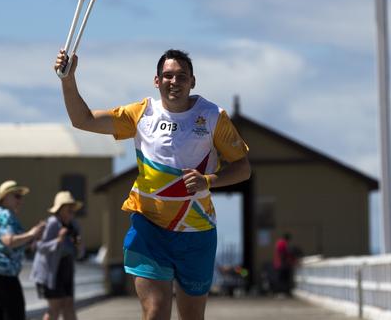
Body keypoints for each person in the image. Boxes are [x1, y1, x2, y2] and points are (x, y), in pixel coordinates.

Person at [54, 49, 251, 320]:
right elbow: (83, 120)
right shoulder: (141, 113)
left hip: (197, 231)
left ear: (193, 81)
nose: (174, 81)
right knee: (156, 311)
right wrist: (68, 79)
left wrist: (208, 181)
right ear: (156, 81)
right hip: (150, 228)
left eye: (182, 76)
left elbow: (243, 168)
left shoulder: (214, 117)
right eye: (168, 76)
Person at [0, 180, 46, 320]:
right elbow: (8, 241)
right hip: (2, 270)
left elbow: (10, 243)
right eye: (16, 196)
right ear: (4, 198)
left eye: (21, 196)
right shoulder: (5, 215)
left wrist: (31, 239)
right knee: (15, 312)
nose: (20, 200)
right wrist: (32, 234)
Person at [30, 191, 84, 320]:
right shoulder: (52, 223)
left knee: (69, 305)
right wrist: (58, 240)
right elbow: (39, 247)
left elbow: (80, 253)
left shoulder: (74, 225)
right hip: (51, 272)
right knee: (55, 307)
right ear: (59, 209)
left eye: (73, 207)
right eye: (68, 207)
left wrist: (78, 245)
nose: (71, 210)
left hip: (67, 268)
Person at [273, 232, 296, 297]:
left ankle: (283, 292)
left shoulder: (280, 242)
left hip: (280, 263)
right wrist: (288, 261)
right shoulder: (282, 243)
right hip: (281, 264)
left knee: (282, 278)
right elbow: (283, 254)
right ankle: (282, 292)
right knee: (283, 279)